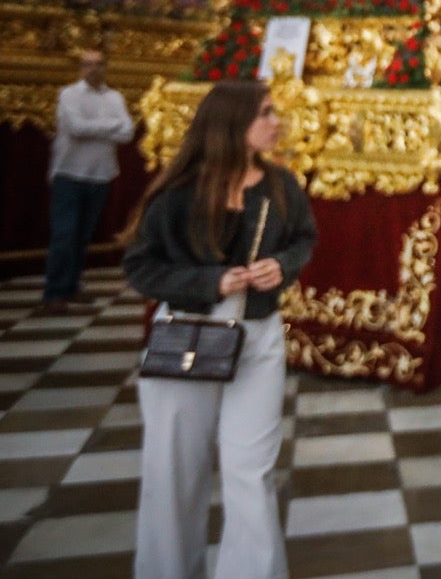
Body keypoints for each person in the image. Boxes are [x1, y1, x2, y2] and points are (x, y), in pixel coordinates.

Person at [122, 81, 317, 579]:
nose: (278, 122)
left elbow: (302, 240)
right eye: (267, 113)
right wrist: (213, 280)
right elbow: (142, 269)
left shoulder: (280, 186)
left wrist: (282, 265)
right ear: (233, 123)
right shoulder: (178, 193)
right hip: (186, 336)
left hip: (257, 338)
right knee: (174, 474)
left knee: (251, 471)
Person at [42, 49, 135, 313]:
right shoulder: (69, 95)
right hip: (69, 174)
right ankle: (54, 291)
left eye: (98, 64)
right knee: (64, 235)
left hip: (100, 175)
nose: (93, 69)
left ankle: (71, 286)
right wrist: (110, 126)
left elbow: (127, 132)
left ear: (106, 67)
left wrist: (100, 125)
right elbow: (76, 128)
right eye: (87, 65)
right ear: (80, 69)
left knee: (82, 236)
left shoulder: (115, 97)